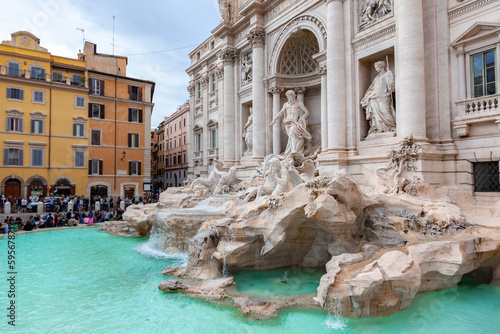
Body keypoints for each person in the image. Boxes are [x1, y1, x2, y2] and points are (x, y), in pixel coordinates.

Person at [270, 90, 312, 158]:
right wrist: (274, 119)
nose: (290, 98)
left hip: (295, 122)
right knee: (291, 136)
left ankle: (294, 150)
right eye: (288, 96)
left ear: (294, 95)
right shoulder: (286, 105)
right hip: (287, 122)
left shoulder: (299, 103)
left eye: (291, 96)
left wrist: (302, 117)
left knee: (292, 132)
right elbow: (281, 113)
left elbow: (307, 112)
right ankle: (292, 150)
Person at [360, 60, 396, 135]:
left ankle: (391, 127)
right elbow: (372, 88)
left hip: (384, 96)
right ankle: (379, 128)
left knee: (385, 111)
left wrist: (391, 81)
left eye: (376, 67)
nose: (376, 69)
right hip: (375, 96)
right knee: (375, 114)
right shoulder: (376, 77)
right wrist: (369, 96)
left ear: (381, 66)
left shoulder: (387, 73)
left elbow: (391, 86)